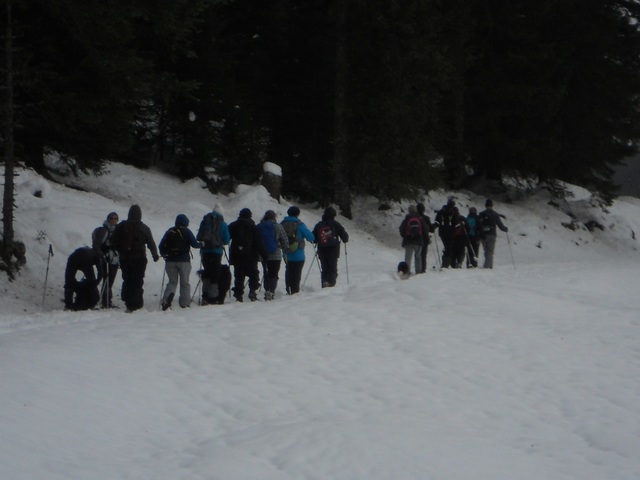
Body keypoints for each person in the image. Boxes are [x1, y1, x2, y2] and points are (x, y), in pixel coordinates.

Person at [110, 204, 159, 312]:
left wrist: (117, 250)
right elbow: (151, 242)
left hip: (124, 259)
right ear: (140, 215)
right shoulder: (144, 227)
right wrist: (155, 255)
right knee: (137, 281)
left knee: (127, 279)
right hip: (139, 259)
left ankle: (127, 301)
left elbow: (112, 241)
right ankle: (136, 304)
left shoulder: (121, 226)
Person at [159, 214, 202, 310]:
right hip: (184, 261)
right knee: (184, 282)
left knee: (172, 282)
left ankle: (166, 300)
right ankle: (185, 303)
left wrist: (164, 254)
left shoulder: (170, 231)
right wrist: (202, 244)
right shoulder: (186, 231)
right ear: (186, 223)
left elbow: (161, 245)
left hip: (170, 261)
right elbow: (194, 244)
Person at [228, 208, 267, 302]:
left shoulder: (232, 225)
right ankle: (252, 291)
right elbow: (258, 242)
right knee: (253, 273)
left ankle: (238, 295)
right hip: (251, 255)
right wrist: (263, 254)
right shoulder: (253, 226)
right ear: (250, 215)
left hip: (237, 254)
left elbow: (226, 238)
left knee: (239, 275)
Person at [196, 203, 231, 305]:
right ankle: (213, 297)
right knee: (215, 274)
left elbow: (199, 236)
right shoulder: (222, 224)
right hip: (216, 252)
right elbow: (227, 240)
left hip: (205, 252)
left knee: (206, 272)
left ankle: (205, 296)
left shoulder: (205, 221)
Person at [280, 206, 315, 295]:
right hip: (298, 254)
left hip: (286, 253)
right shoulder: (300, 225)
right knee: (296, 273)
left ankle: (289, 289)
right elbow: (310, 237)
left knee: (288, 270)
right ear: (298, 214)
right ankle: (294, 291)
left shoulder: (282, 224)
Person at [312, 206, 349, 287]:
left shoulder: (319, 225)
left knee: (324, 268)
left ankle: (325, 282)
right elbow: (345, 237)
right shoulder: (336, 224)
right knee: (332, 267)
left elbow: (313, 238)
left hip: (322, 249)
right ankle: (331, 284)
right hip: (333, 249)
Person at [257, 210, 289, 300]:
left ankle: (267, 289)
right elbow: (285, 240)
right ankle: (272, 291)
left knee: (266, 272)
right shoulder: (278, 226)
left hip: (263, 254)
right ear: (274, 217)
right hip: (276, 253)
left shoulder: (260, 226)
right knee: (274, 273)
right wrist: (285, 248)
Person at [92, 211, 120, 308]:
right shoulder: (104, 230)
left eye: (116, 218)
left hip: (114, 260)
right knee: (106, 280)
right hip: (105, 259)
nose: (113, 220)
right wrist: (102, 255)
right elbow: (96, 245)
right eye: (112, 218)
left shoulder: (117, 231)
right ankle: (105, 301)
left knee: (109, 281)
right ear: (108, 219)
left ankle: (106, 300)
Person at [63, 247, 101, 311]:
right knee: (91, 281)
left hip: (73, 258)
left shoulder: (91, 253)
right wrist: (95, 284)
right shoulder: (96, 256)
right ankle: (91, 302)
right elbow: (100, 273)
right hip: (85, 259)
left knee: (69, 281)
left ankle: (68, 305)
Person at [399, 205, 429, 275]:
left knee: (408, 258)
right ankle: (418, 272)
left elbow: (401, 229)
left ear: (409, 211)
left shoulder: (406, 219)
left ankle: (407, 272)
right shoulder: (420, 219)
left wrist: (405, 236)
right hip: (418, 241)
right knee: (418, 257)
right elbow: (426, 229)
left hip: (408, 241)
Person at [479, 199, 509, 269]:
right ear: (492, 205)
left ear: (485, 205)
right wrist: (505, 229)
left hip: (483, 235)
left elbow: (479, 224)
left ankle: (487, 264)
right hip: (492, 235)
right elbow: (500, 225)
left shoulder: (482, 214)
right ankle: (488, 266)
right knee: (490, 251)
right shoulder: (495, 214)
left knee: (486, 250)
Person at [433, 198, 461, 268]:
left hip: (442, 233)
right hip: (451, 233)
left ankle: (445, 264)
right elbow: (457, 225)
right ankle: (446, 264)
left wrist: (433, 227)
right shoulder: (454, 212)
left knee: (447, 247)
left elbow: (437, 222)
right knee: (449, 248)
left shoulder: (442, 211)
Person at [416, 203, 433, 273]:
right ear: (423, 210)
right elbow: (431, 229)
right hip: (425, 239)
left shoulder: (414, 217)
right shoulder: (426, 218)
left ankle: (417, 269)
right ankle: (423, 269)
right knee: (423, 255)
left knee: (417, 255)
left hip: (415, 238)